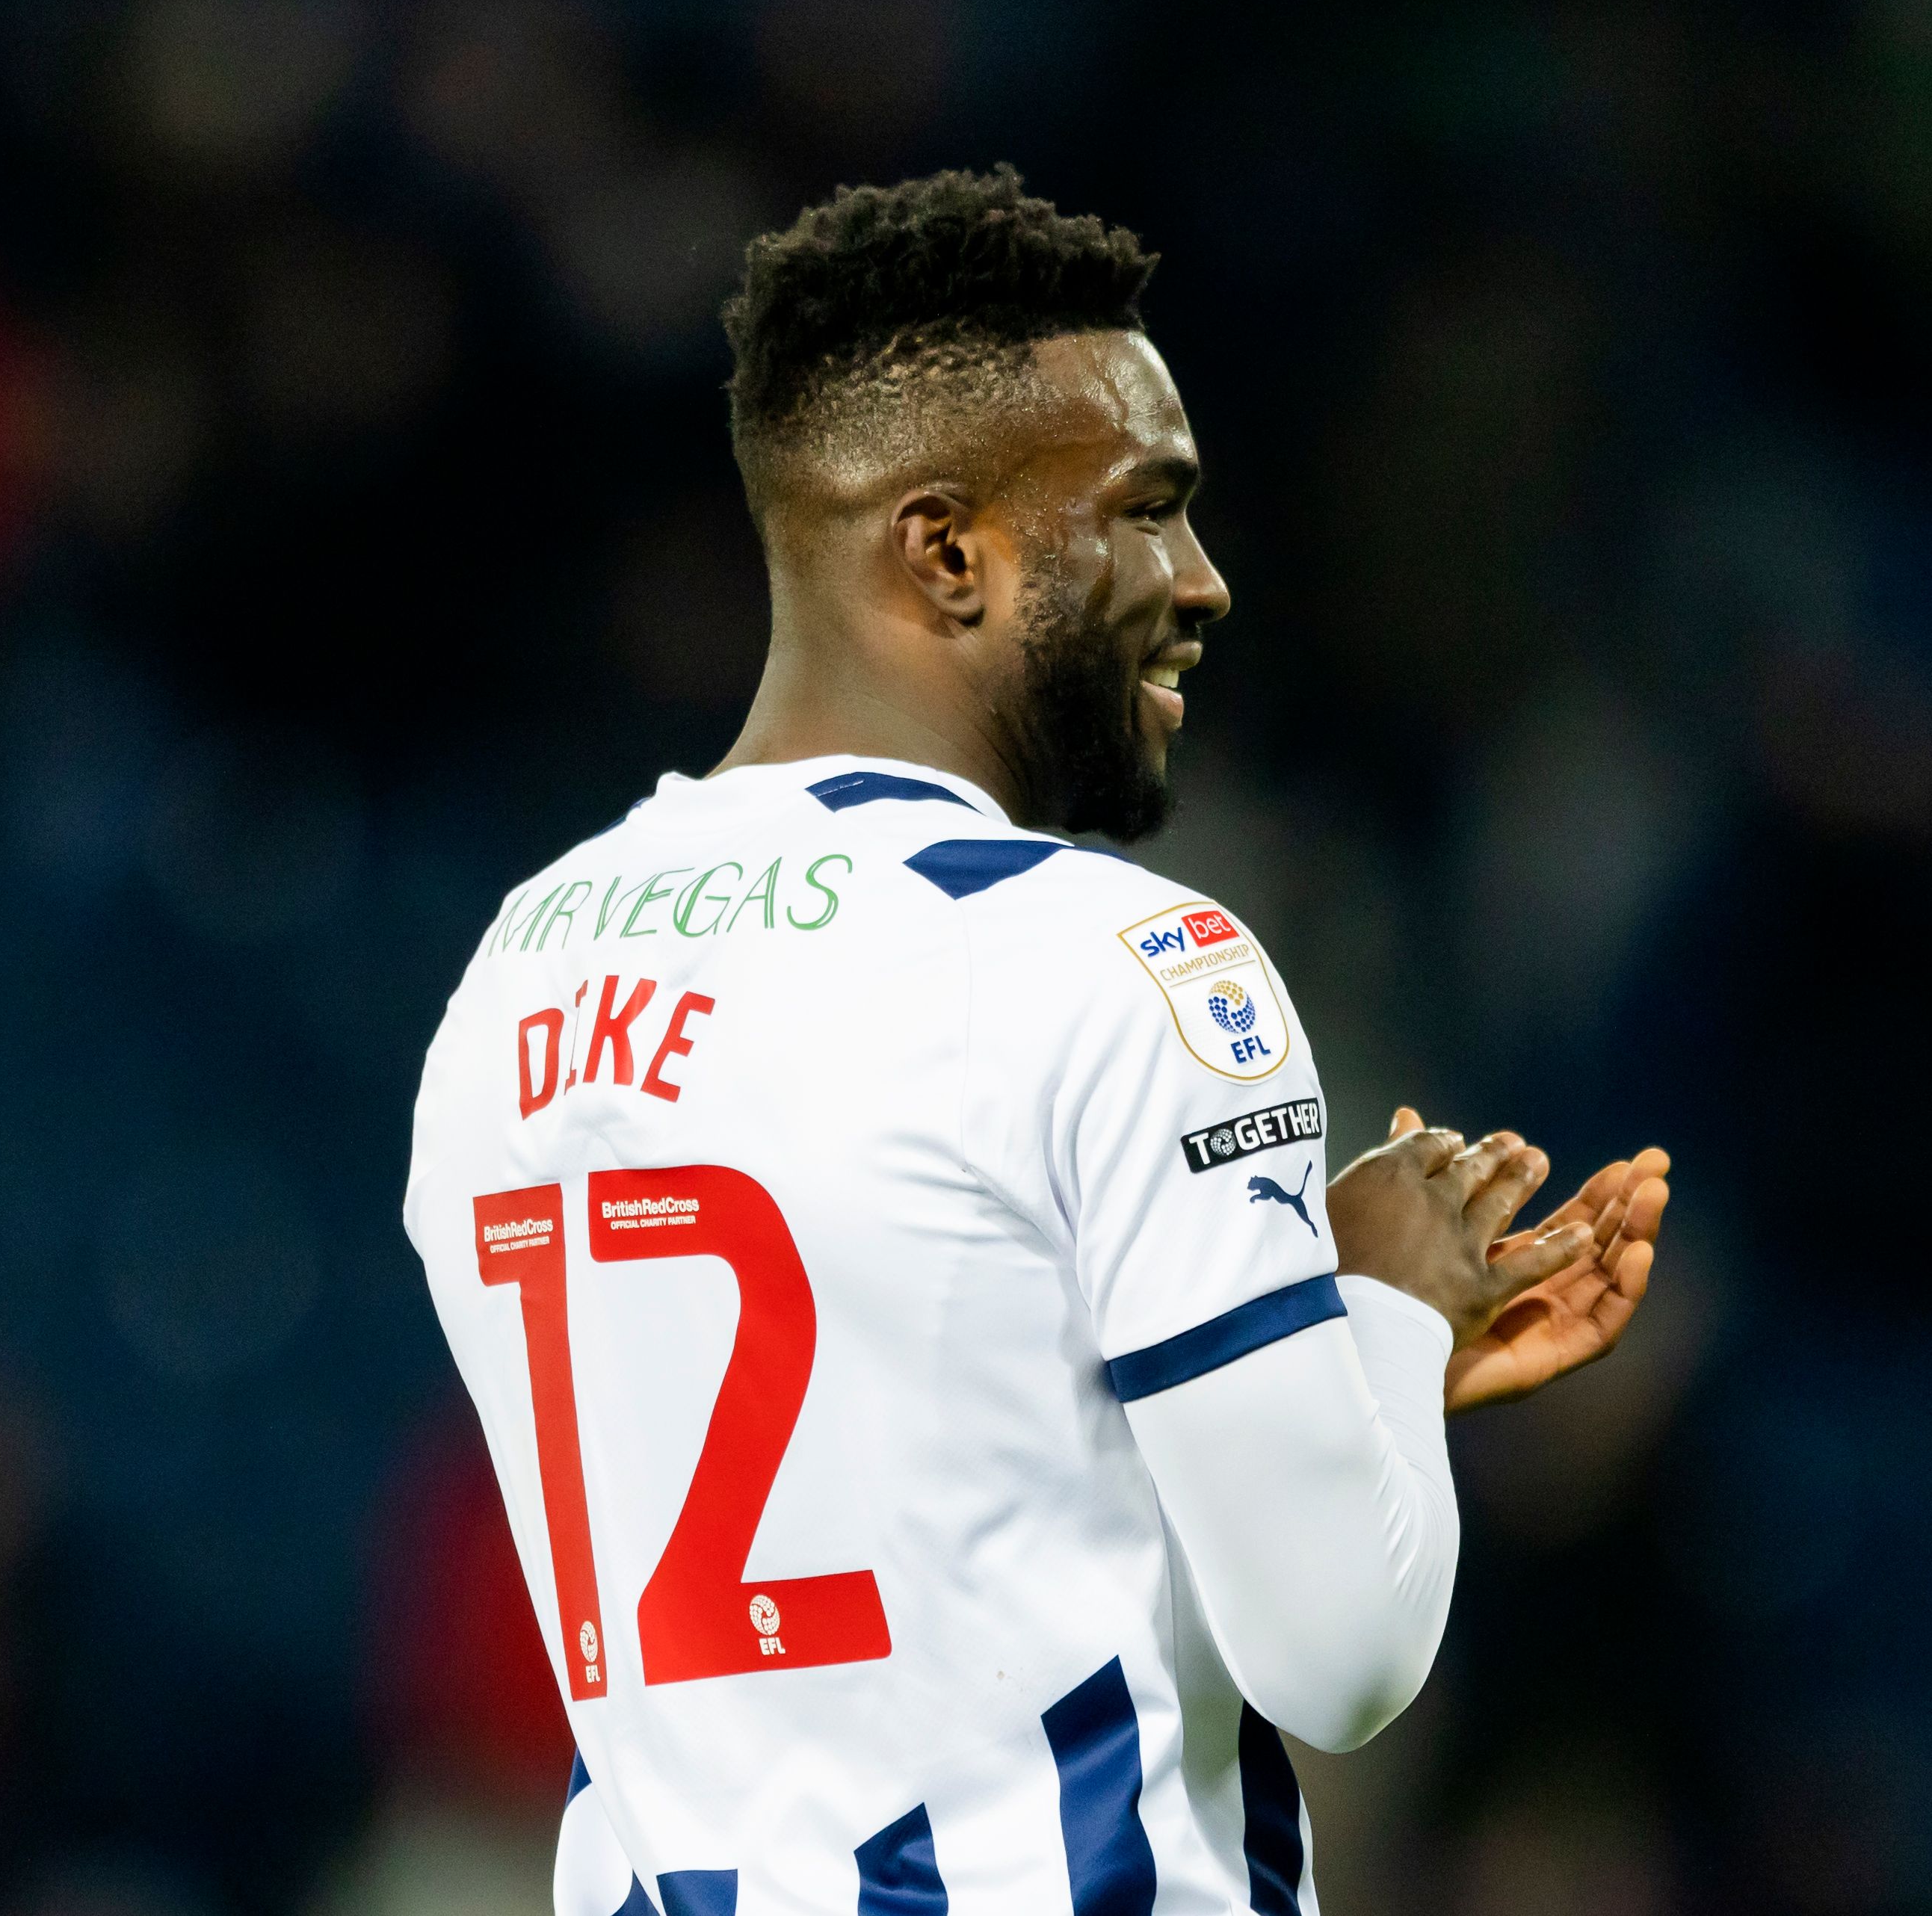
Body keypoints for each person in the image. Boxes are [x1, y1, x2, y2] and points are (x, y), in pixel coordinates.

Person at [401, 167, 1670, 1916]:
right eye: (1145, 510)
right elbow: (1343, 1660)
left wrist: (1295, 1372)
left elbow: (919, 1491)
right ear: (946, 550)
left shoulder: (516, 976)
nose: (1203, 580)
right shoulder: (1125, 962)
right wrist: (1368, 1304)